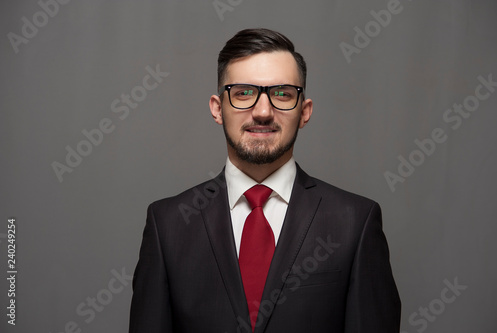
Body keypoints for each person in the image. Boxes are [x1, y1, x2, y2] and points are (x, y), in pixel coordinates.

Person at [129, 28, 401, 333]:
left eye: (282, 94)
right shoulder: (168, 225)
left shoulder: (354, 222)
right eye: (243, 93)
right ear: (218, 108)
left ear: (304, 112)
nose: (262, 111)